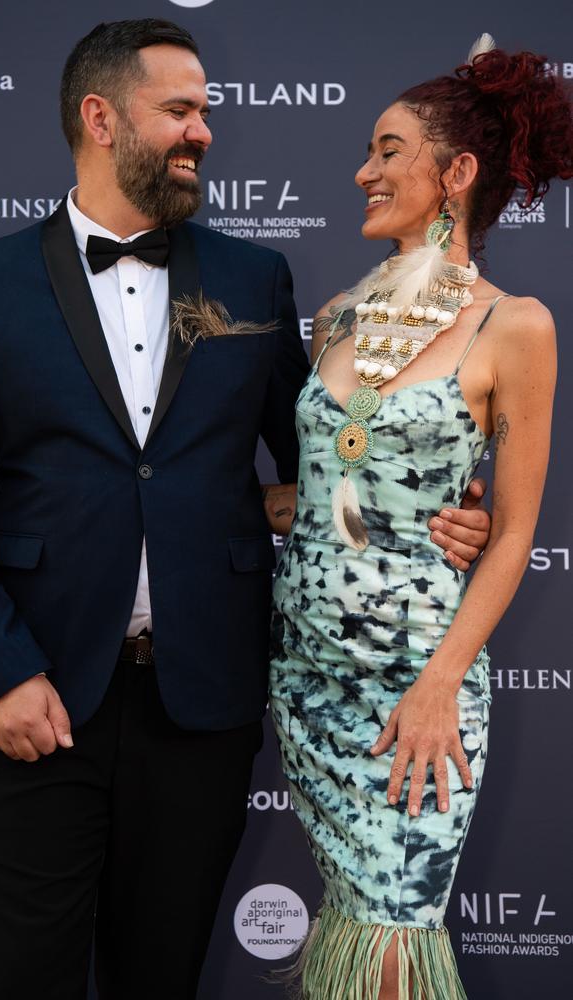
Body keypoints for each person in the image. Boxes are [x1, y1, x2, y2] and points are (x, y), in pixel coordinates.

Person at [0, 18, 489, 1000]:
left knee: (162, 976)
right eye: (179, 110)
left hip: (200, 710)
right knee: (27, 978)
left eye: (206, 112)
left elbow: (325, 459)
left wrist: (432, 502)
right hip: (37, 700)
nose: (203, 131)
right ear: (101, 119)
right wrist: (1, 672)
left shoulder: (250, 277)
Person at [270, 35, 571, 1000]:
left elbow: (516, 529)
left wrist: (442, 684)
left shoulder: (512, 325)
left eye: (388, 149)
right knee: (350, 941)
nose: (364, 169)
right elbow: (317, 493)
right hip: (308, 678)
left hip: (418, 693)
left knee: (394, 941)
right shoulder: (335, 320)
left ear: (458, 172)